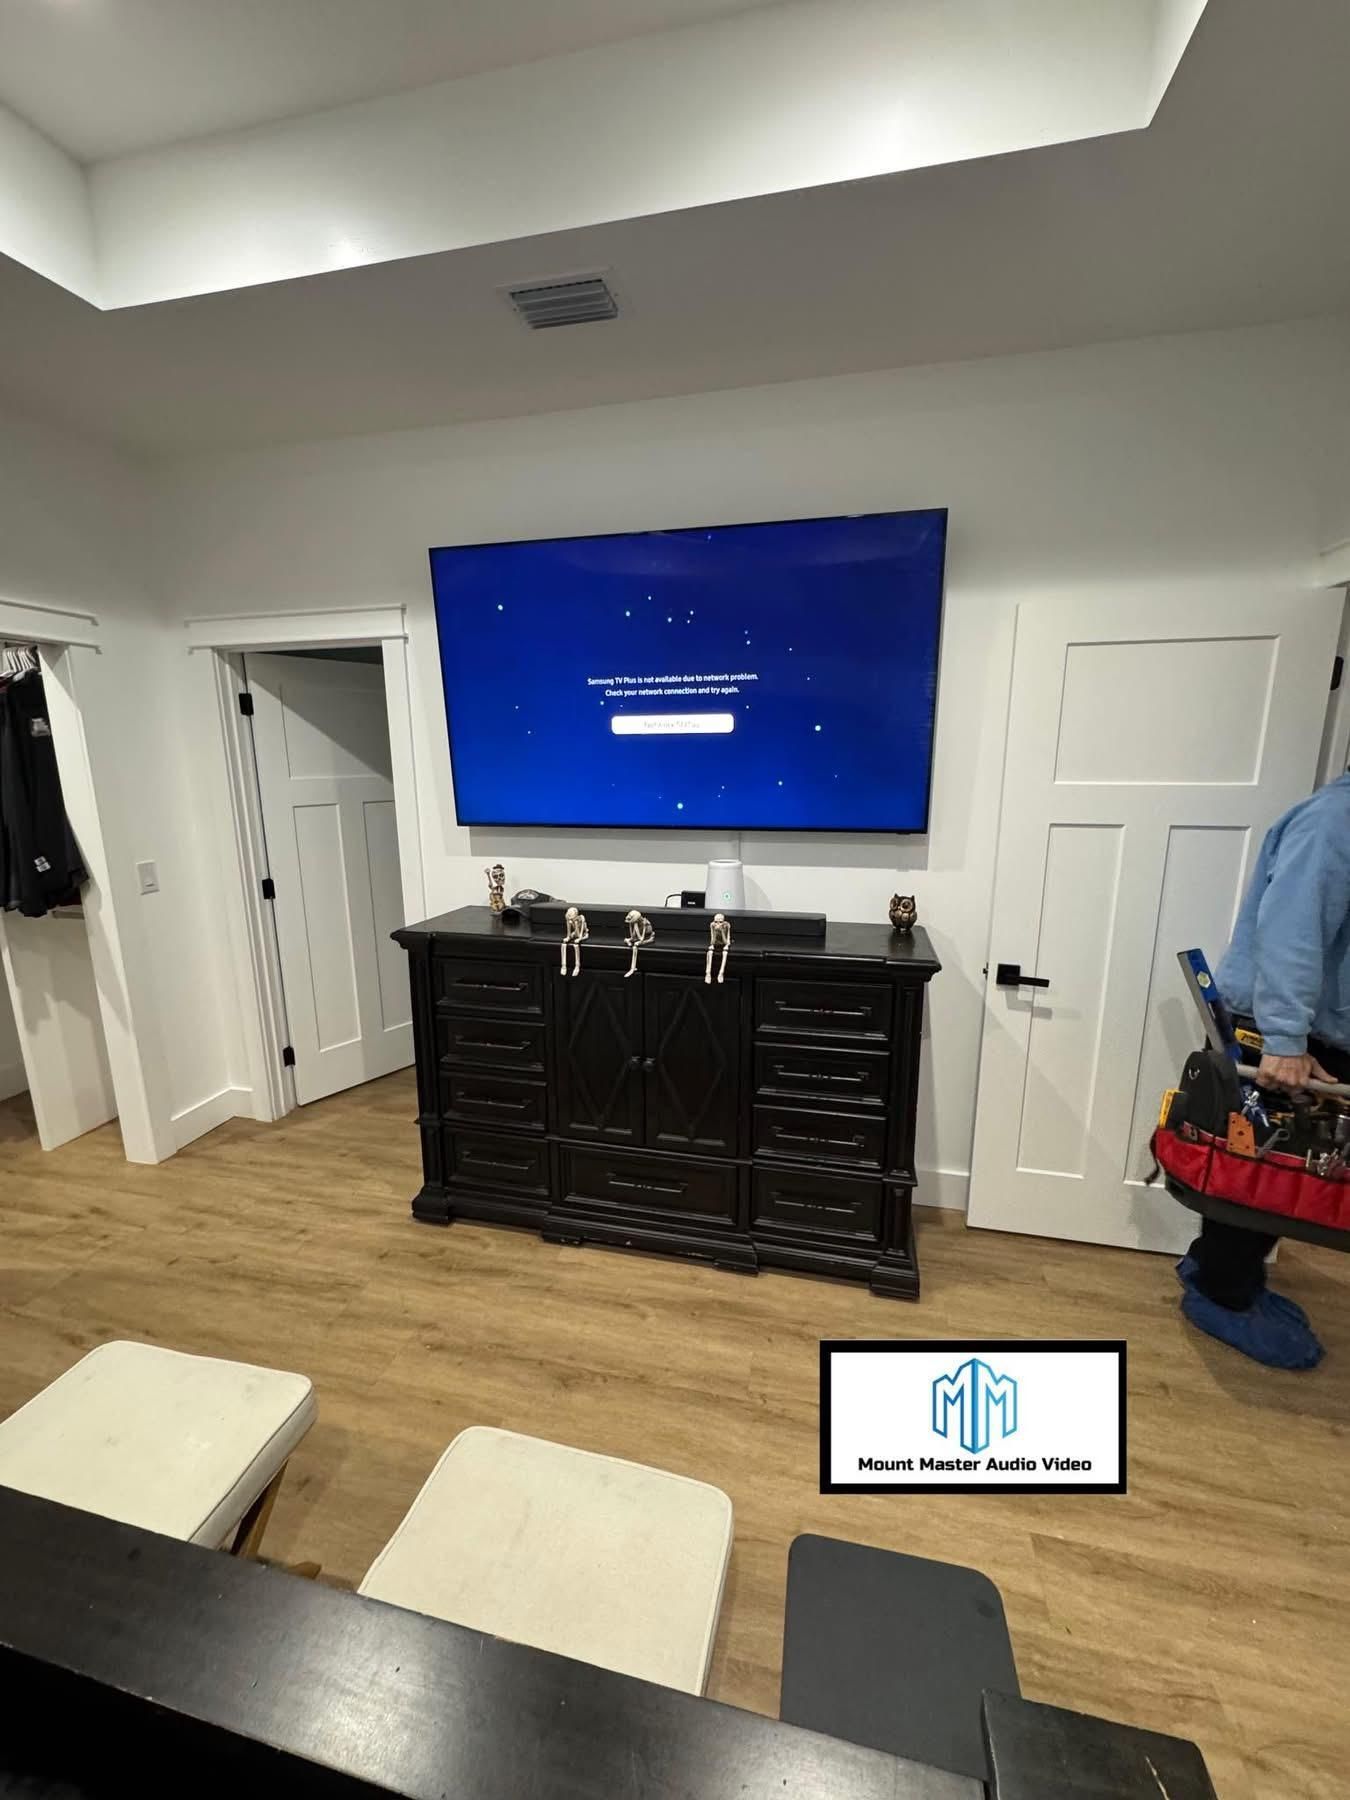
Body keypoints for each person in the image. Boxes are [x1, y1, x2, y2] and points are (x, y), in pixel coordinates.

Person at [1178, 769, 1350, 1369]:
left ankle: (1227, 1276)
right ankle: (1221, 1296)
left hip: (1306, 1032)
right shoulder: (1333, 822)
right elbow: (1292, 932)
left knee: (1273, 1170)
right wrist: (1283, 1039)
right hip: (1283, 1037)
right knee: (1259, 1173)